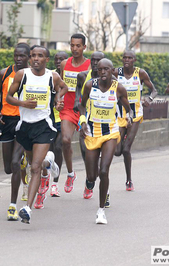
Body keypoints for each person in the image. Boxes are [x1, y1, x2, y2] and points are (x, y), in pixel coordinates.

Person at [6, 45, 68, 224]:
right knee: (35, 163)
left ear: (46, 60)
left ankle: (27, 208)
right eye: (33, 55)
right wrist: (23, 103)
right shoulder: (22, 75)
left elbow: (63, 88)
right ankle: (49, 163)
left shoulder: (52, 76)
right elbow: (9, 97)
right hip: (25, 126)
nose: (35, 59)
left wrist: (58, 99)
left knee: (34, 167)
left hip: (44, 126)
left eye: (40, 56)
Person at [79, 58, 132, 224]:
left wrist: (129, 117)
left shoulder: (119, 88)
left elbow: (128, 108)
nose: (102, 72)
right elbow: (81, 105)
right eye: (100, 69)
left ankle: (101, 210)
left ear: (112, 71)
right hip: (92, 132)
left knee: (104, 171)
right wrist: (82, 121)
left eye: (106, 69)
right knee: (92, 176)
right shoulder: (90, 86)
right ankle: (90, 183)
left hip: (110, 132)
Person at [0, 43, 31, 221]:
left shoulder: (33, 75)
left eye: (22, 55)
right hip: (7, 121)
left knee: (15, 163)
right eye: (16, 55)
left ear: (29, 57)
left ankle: (12, 206)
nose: (18, 58)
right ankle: (23, 162)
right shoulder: (4, 73)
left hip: (24, 121)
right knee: (8, 168)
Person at [114, 50, 157, 191]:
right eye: (124, 57)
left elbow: (154, 90)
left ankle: (129, 180)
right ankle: (123, 137)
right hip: (120, 114)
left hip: (135, 114)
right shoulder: (116, 73)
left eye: (130, 58)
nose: (127, 60)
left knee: (126, 149)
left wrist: (149, 99)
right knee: (117, 151)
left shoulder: (141, 73)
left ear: (134, 60)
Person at [60, 33, 91, 193]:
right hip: (68, 109)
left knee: (86, 150)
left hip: (85, 110)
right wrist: (58, 99)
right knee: (65, 140)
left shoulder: (91, 65)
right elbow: (60, 85)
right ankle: (71, 173)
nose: (74, 48)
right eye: (72, 45)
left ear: (84, 47)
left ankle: (89, 180)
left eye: (78, 46)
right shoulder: (65, 64)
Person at [74, 51, 105, 200]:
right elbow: (78, 100)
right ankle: (89, 179)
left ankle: (105, 192)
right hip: (86, 120)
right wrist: (82, 118)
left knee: (102, 164)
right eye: (93, 60)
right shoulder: (82, 76)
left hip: (105, 125)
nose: (95, 62)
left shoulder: (111, 80)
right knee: (87, 155)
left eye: (98, 60)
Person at [48, 51, 68, 198]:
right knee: (49, 151)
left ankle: (55, 184)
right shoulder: (50, 75)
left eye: (62, 59)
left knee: (59, 147)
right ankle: (45, 178)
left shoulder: (72, 76)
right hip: (50, 117)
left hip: (65, 118)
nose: (58, 61)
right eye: (57, 59)